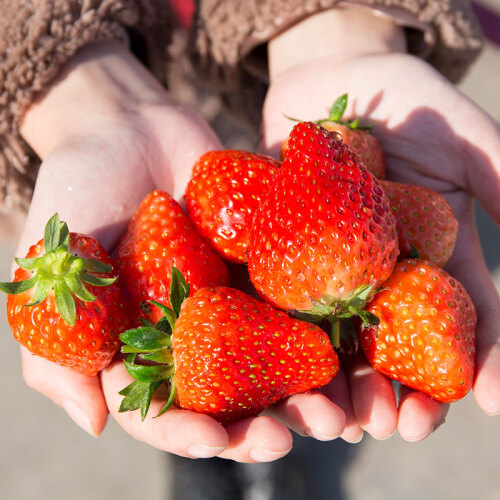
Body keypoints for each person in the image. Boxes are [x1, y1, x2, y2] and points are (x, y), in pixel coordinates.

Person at [1, 0, 499, 468]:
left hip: (266, 116)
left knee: (228, 386)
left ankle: (247, 453)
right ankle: (206, 460)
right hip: (156, 75)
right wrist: (75, 95)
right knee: (172, 376)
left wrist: (333, 27)